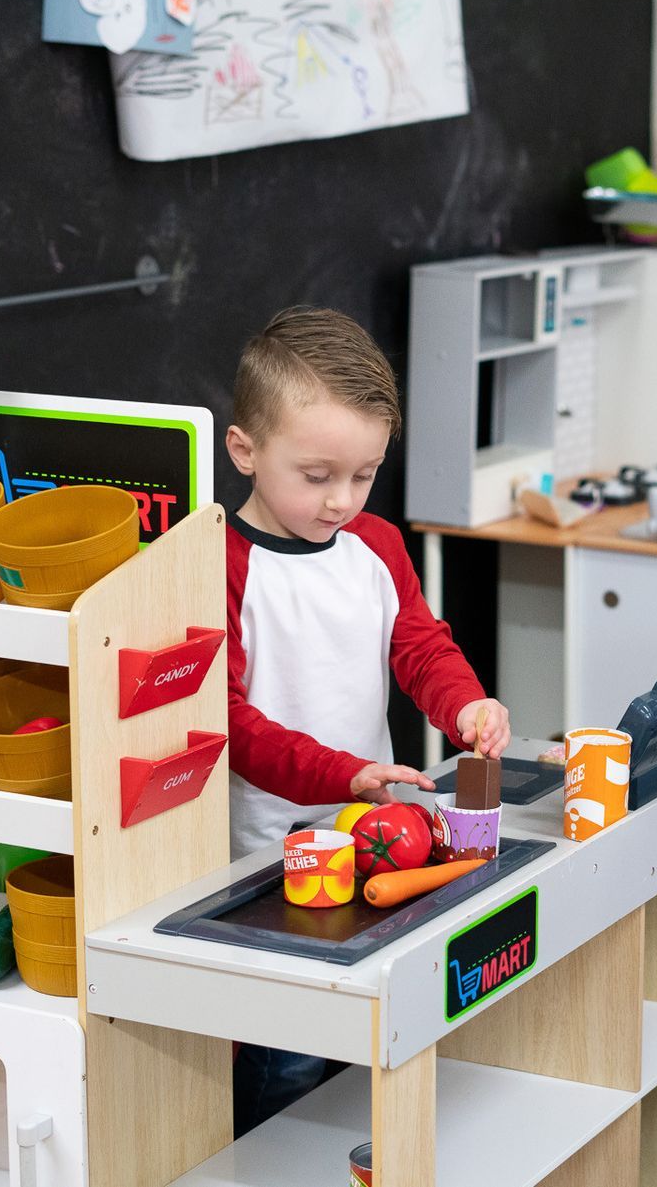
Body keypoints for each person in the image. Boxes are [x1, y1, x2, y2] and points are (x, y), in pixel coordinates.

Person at [223, 305, 510, 1131]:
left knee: (369, 1045)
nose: (341, 500)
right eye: (316, 476)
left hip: (376, 836)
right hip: (265, 860)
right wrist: (341, 772)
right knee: (288, 1059)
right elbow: (231, 727)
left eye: (364, 475)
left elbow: (420, 646)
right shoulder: (221, 561)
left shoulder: (377, 545)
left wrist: (467, 705)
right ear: (245, 450)